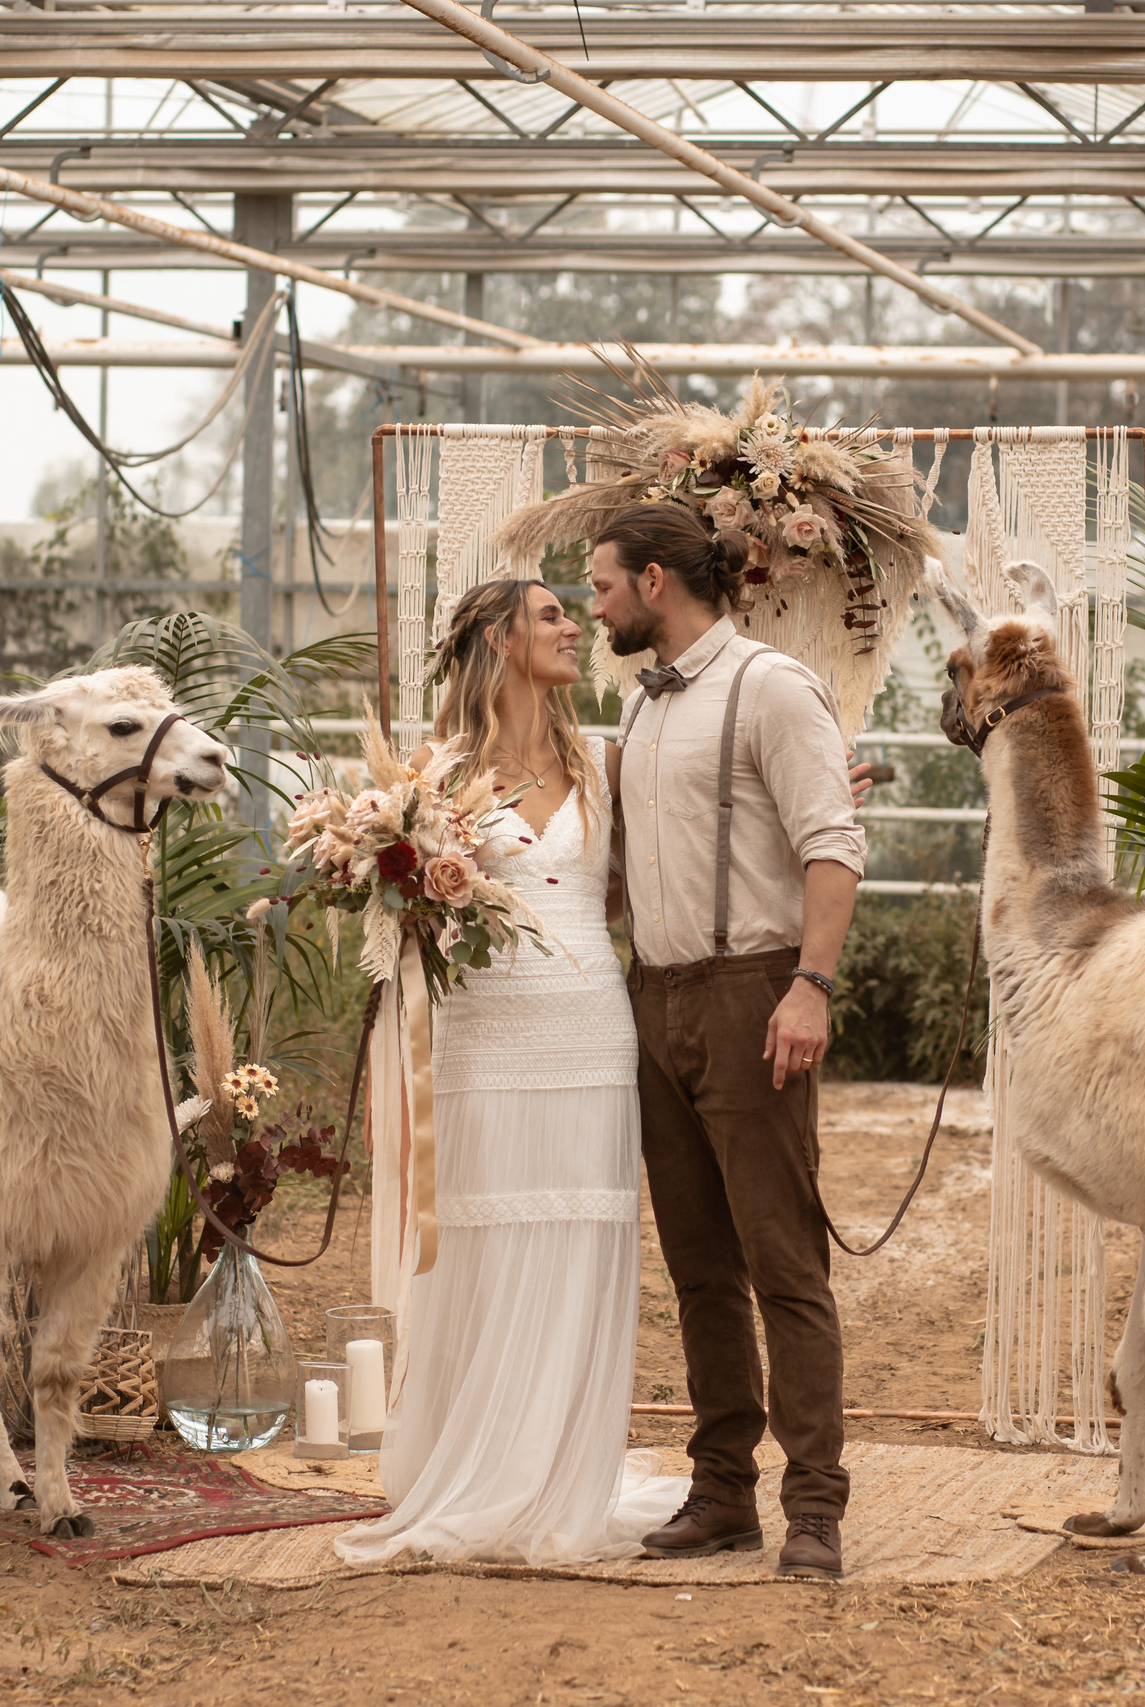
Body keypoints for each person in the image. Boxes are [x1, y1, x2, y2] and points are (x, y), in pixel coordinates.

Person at [334, 577, 687, 1567]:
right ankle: (476, 1469)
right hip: (483, 1036)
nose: (575, 626)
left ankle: (560, 1475)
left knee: (580, 1245)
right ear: (498, 639)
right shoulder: (429, 777)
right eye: (549, 615)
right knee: (485, 1253)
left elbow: (666, 864)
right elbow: (396, 918)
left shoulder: (605, 761)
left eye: (575, 611)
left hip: (588, 1031)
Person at [588, 500, 865, 1582]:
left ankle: (815, 1509)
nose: (595, 604)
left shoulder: (771, 687)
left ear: (656, 582)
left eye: (604, 584)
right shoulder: (644, 706)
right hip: (651, 999)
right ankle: (721, 1493)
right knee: (699, 1268)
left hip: (753, 990)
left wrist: (809, 986)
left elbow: (831, 846)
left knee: (782, 1263)